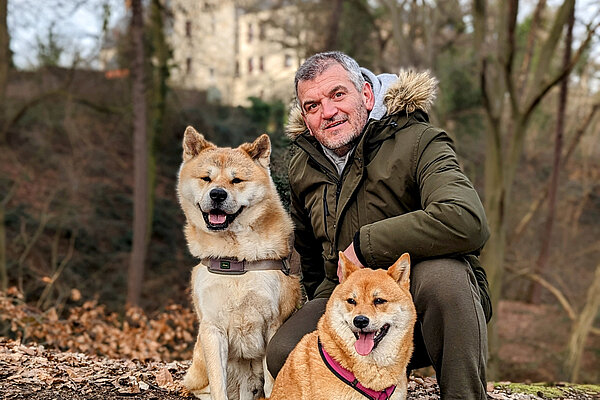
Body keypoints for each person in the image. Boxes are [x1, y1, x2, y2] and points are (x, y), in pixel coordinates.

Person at [266, 51, 492, 399]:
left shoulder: (419, 141)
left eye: (338, 94)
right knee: (283, 352)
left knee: (446, 281)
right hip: (351, 301)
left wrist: (368, 244)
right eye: (312, 106)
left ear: (367, 94)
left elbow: (467, 219)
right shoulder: (303, 164)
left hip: (424, 295)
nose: (327, 112)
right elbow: (309, 253)